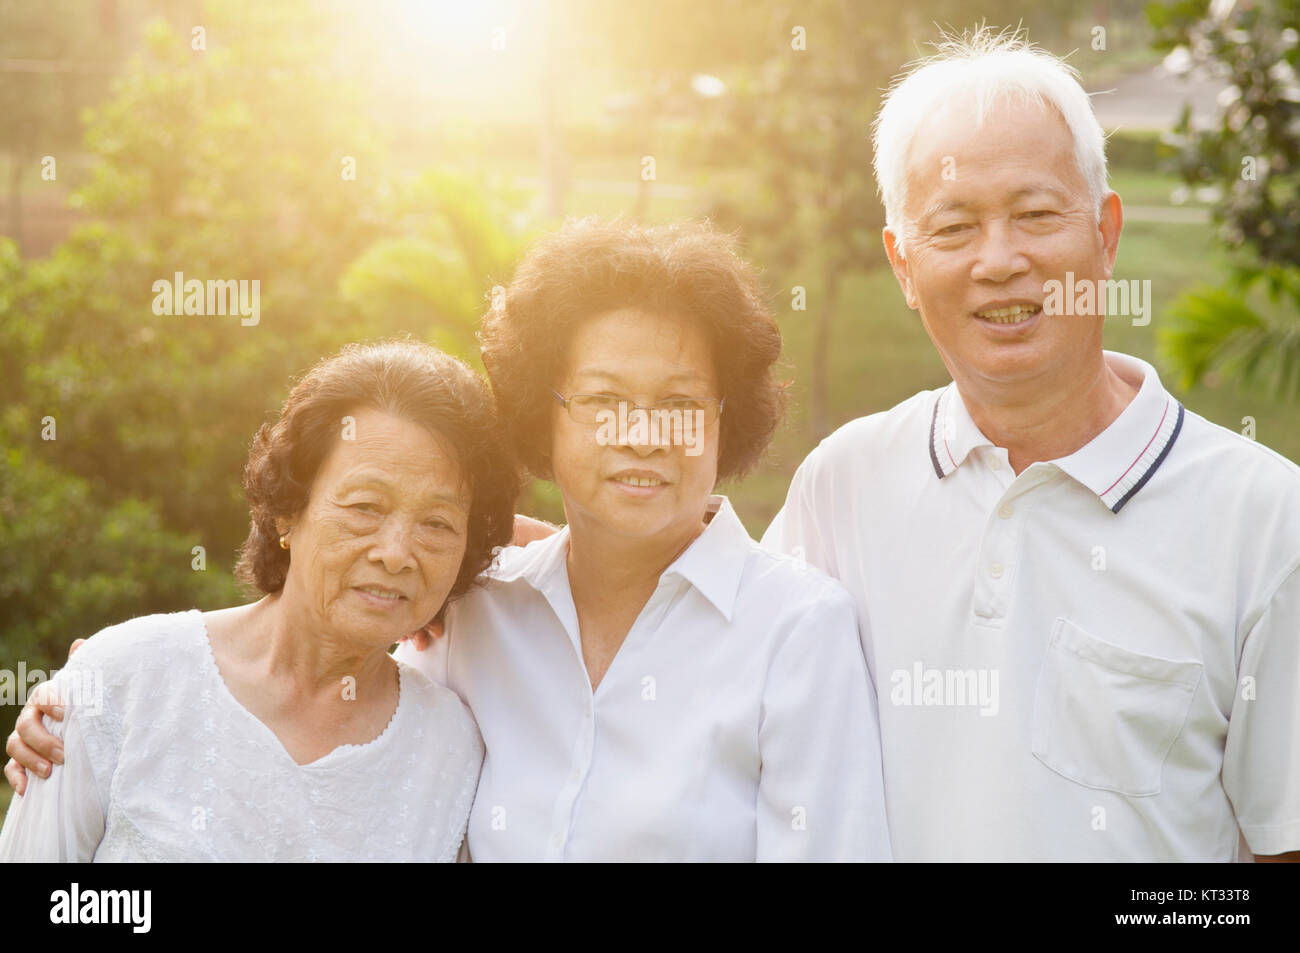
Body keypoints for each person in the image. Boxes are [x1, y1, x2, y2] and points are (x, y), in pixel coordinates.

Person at [8, 221, 891, 863]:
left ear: (724, 419)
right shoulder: (478, 612)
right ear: (543, 414)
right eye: (604, 398)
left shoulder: (795, 631)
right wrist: (104, 692)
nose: (642, 433)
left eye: (679, 404)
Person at [760, 29, 1300, 861]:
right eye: (953, 227)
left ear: (1105, 235)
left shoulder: (1266, 520)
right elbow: (717, 670)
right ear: (903, 265)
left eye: (1037, 214)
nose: (1000, 260)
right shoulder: (841, 486)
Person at [0, 340, 518, 861]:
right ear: (287, 511)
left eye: (437, 523)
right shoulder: (120, 680)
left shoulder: (455, 753)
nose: (396, 552)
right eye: (365, 506)